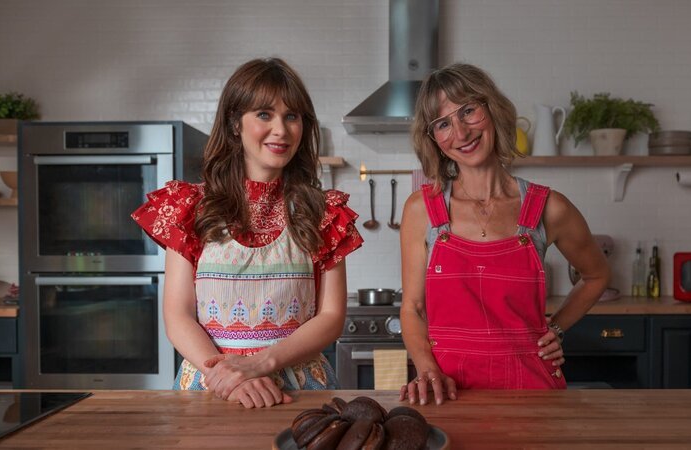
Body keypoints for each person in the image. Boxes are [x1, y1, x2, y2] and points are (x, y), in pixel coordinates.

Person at [132, 58, 363, 408]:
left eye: (292, 116)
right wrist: (229, 378)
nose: (281, 130)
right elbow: (177, 314)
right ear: (234, 124)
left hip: (299, 392)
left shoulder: (324, 212)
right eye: (264, 114)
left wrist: (260, 364)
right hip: (213, 388)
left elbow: (331, 318)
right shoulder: (190, 206)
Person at [398, 63, 610, 406]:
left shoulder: (549, 208)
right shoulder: (422, 210)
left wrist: (555, 328)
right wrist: (426, 368)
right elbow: (411, 307)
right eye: (443, 123)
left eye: (468, 111)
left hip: (532, 393)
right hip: (447, 394)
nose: (461, 132)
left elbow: (597, 275)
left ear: (492, 108)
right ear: (433, 139)